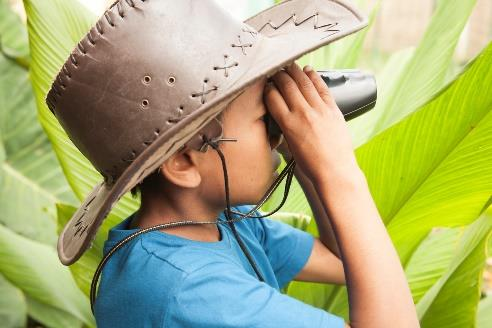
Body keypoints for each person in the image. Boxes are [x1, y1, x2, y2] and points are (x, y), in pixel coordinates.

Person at [46, 0, 419, 326]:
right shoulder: (185, 288)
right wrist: (339, 172)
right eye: (264, 119)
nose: (277, 133)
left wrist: (305, 162)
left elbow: (341, 262)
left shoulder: (225, 224)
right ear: (183, 162)